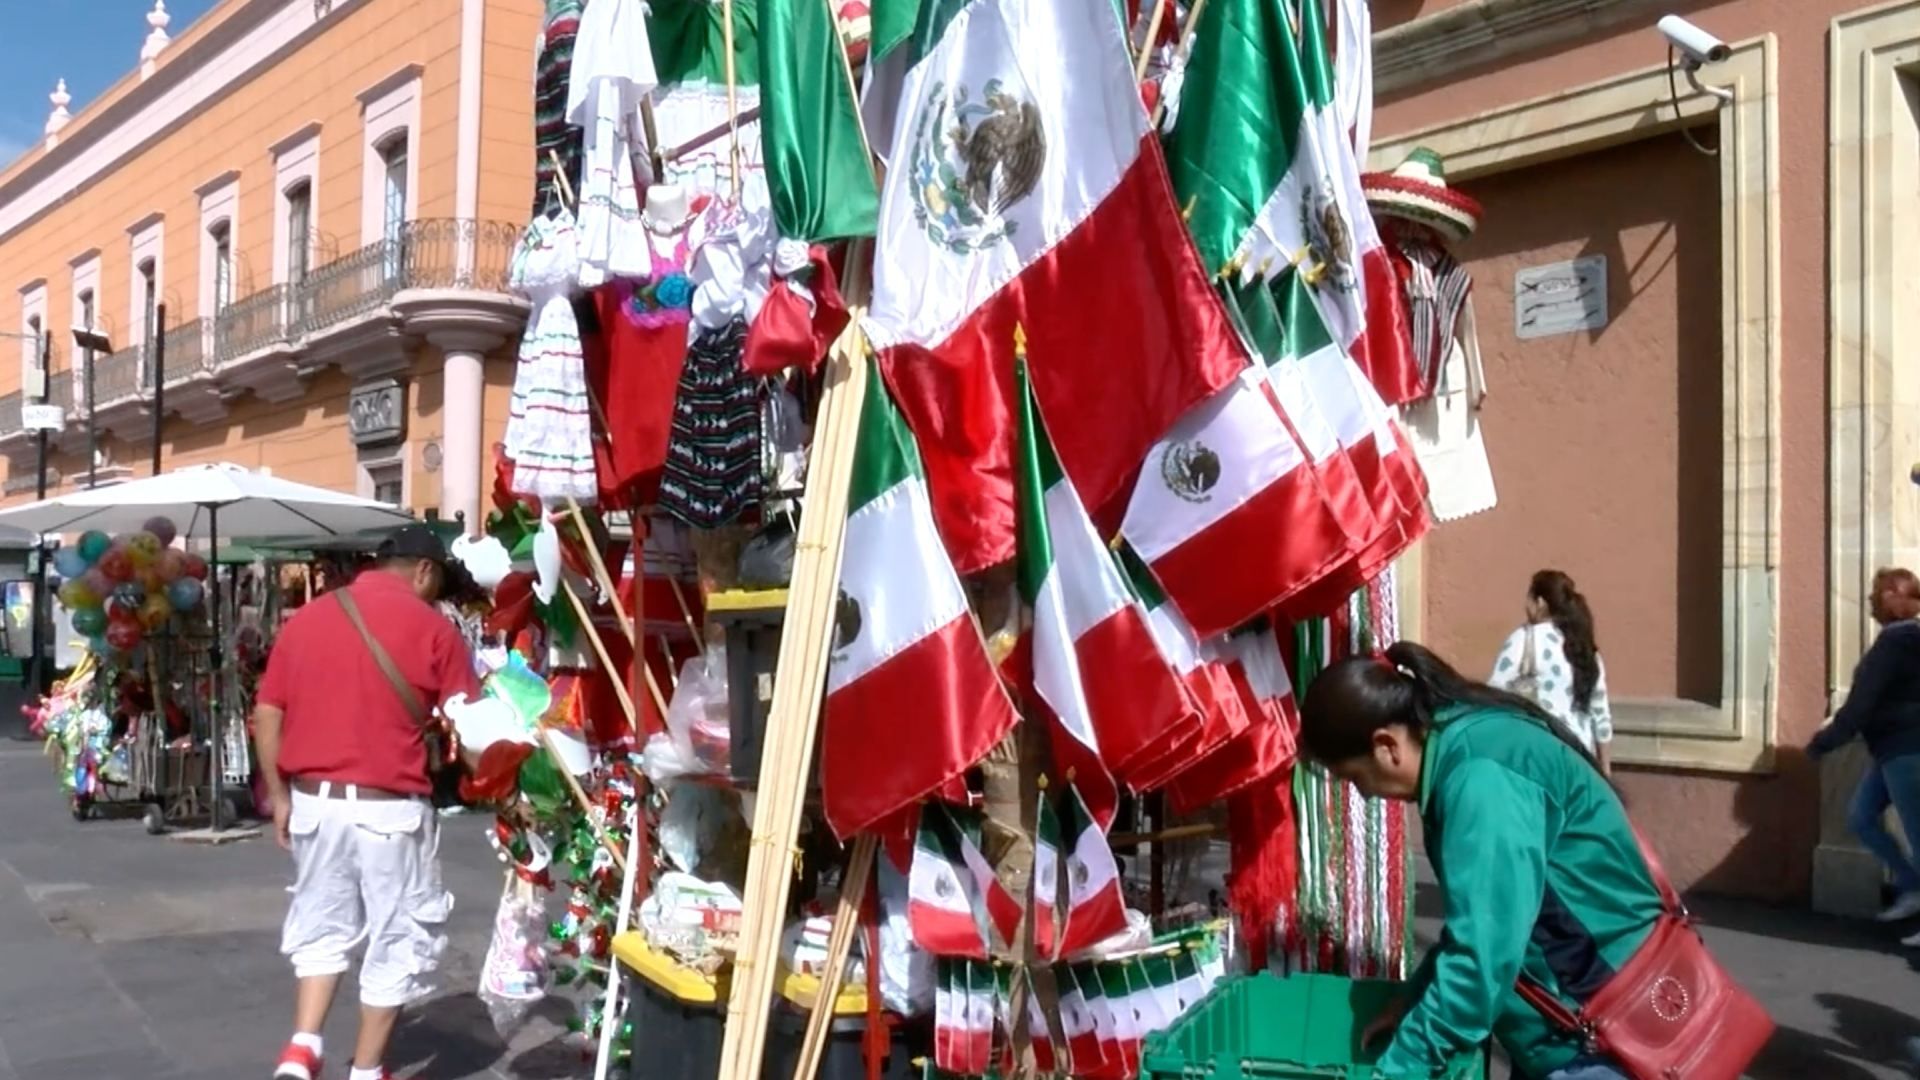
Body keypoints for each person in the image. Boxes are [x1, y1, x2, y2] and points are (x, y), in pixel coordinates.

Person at [1300, 640, 1663, 1080]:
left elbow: (1482, 958)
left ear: (1386, 745)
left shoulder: (1481, 780)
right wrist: (1415, 1000)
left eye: (1356, 777)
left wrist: (1401, 1066)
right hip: (1580, 1024)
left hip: (1600, 1035)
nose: (1365, 793)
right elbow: (1483, 919)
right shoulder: (1470, 743)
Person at [254, 525, 482, 1080]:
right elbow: (473, 728)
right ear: (424, 571)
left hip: (313, 801)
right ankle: (366, 1069)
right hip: (390, 807)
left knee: (321, 924)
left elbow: (267, 714)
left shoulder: (307, 617)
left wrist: (279, 796)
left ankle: (303, 1047)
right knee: (397, 935)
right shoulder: (434, 630)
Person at [1809, 567, 1920, 934]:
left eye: (1876, 595)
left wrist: (1822, 744)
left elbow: (1860, 705)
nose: (1871, 602)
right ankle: (1912, 885)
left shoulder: (1892, 645)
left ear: (1891, 599)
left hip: (1905, 750)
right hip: (1893, 751)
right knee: (1860, 816)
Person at [1488, 569, 1614, 775]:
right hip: (1581, 761)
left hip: (1538, 754)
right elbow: (1601, 716)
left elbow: (1493, 693)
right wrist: (1605, 771)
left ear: (1540, 603)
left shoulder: (1524, 639)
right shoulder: (1586, 650)